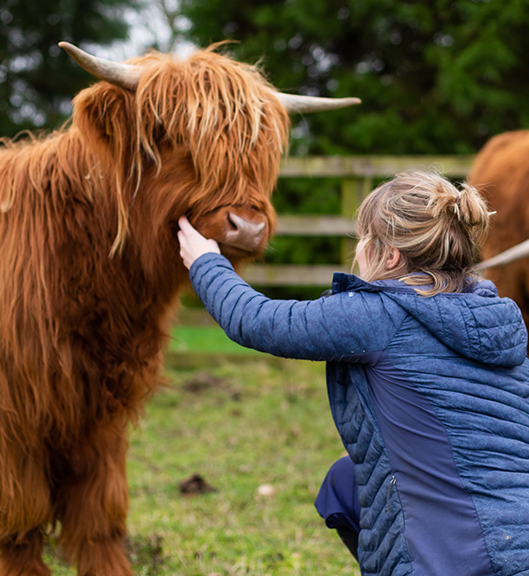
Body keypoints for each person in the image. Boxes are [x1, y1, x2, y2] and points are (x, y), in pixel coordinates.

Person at [177, 170, 529, 575]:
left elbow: (256, 320)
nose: (358, 250)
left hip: (460, 560)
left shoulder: (380, 315)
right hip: (517, 546)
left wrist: (206, 263)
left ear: (391, 256)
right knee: (347, 479)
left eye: (363, 239)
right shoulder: (496, 319)